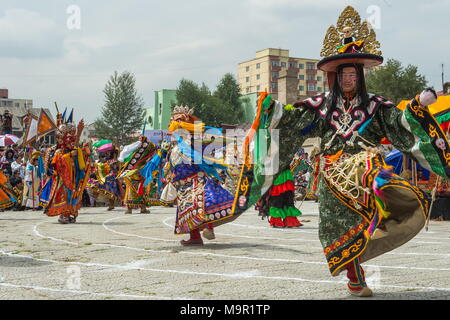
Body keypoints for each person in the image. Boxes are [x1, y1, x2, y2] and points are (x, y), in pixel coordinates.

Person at [229, 6, 450, 297]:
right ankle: (354, 274)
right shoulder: (320, 105)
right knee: (339, 228)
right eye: (343, 73)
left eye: (353, 73)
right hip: (333, 177)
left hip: (366, 172)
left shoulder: (375, 105)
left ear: (360, 75)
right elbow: (292, 121)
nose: (348, 79)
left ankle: (362, 258)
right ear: (335, 76)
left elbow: (399, 123)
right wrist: (271, 109)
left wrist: (415, 107)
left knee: (394, 205)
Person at [164, 105, 238, 246]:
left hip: (197, 179)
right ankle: (195, 237)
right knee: (187, 211)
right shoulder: (173, 144)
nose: (175, 123)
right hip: (181, 184)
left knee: (205, 202)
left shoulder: (196, 140)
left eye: (180, 120)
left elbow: (214, 142)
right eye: (174, 120)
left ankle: (208, 227)